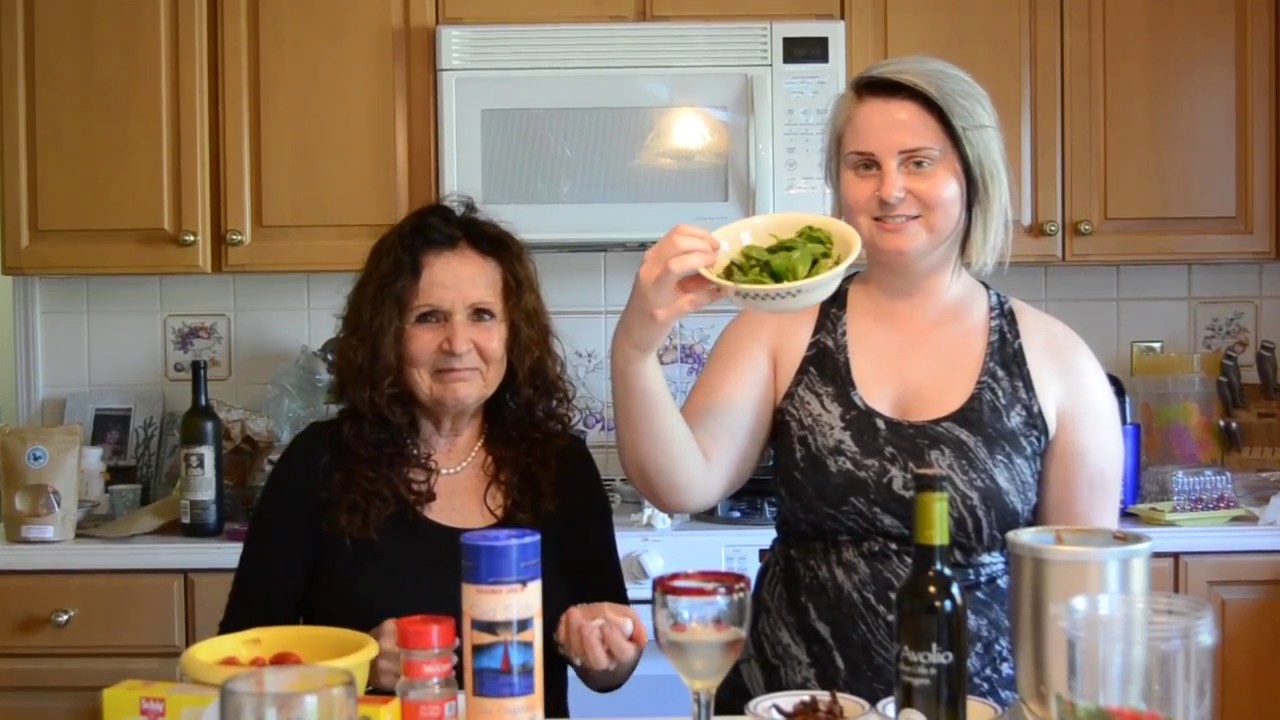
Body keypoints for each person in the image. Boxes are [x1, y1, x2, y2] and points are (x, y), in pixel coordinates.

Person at [609, 55, 1123, 710]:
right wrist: (635, 348)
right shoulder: (780, 326)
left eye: (918, 161)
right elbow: (679, 484)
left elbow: (1078, 601)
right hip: (792, 700)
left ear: (971, 173)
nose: (889, 189)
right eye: (864, 165)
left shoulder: (1058, 361)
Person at [220, 197, 646, 717]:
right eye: (428, 318)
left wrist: (608, 651)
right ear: (386, 336)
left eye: (482, 315)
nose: (458, 342)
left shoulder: (561, 465)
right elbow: (243, 654)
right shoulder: (320, 462)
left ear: (513, 332)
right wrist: (361, 663)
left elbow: (607, 672)